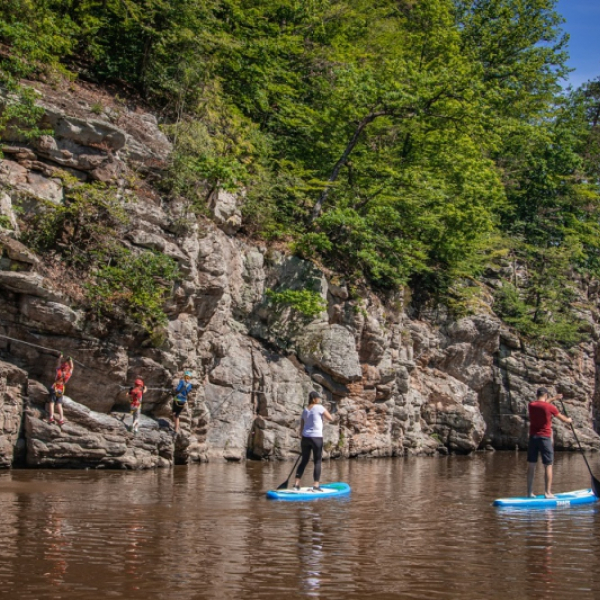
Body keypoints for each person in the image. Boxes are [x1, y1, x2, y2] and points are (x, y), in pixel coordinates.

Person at [527, 387, 572, 498]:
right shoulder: (550, 407)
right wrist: (569, 420)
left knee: (531, 465)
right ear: (546, 395)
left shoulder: (531, 405)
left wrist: (553, 398)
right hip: (545, 438)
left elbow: (542, 404)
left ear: (537, 394)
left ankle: (529, 493)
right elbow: (563, 419)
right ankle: (548, 493)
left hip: (533, 438)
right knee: (548, 465)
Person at [294, 391, 334, 492]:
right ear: (314, 399)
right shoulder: (319, 407)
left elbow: (301, 427)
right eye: (318, 398)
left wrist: (302, 436)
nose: (319, 399)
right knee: (317, 461)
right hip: (316, 438)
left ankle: (296, 484)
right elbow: (330, 418)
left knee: (304, 460)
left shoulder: (305, 410)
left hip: (305, 438)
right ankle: (316, 485)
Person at [47, 354, 74, 425]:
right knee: (59, 404)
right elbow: (72, 368)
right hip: (61, 390)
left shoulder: (59, 372)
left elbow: (58, 365)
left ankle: (51, 417)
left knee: (52, 403)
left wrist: (60, 358)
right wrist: (70, 359)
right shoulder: (68, 374)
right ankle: (61, 419)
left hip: (54, 388)